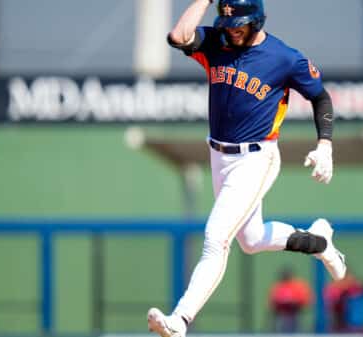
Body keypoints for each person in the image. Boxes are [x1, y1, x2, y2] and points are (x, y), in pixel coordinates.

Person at [147, 1, 347, 337]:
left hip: (256, 158)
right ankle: (320, 242)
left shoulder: (284, 57)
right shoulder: (217, 42)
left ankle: (180, 320)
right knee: (252, 240)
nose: (232, 30)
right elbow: (178, 36)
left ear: (256, 20)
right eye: (227, 23)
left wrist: (325, 144)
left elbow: (320, 97)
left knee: (216, 238)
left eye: (239, 24)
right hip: (219, 155)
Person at [268, 267, 313, 333]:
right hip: (282, 312)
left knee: (294, 321)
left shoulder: (298, 285)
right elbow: (273, 301)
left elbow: (305, 299)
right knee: (281, 322)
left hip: (296, 311)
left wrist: (294, 302)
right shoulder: (279, 286)